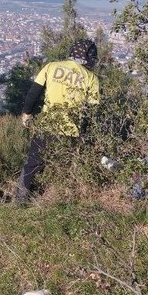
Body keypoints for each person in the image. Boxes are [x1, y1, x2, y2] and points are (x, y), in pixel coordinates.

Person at [16, 39, 100, 202]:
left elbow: (33, 94)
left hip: (47, 127)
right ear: (86, 56)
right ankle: (64, 202)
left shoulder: (51, 67)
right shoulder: (91, 78)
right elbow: (91, 112)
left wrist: (27, 114)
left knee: (31, 165)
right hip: (72, 132)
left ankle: (20, 201)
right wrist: (84, 134)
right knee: (68, 170)